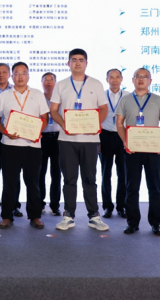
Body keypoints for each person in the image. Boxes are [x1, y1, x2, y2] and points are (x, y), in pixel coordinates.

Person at [50, 48, 109, 232]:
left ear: (86, 63)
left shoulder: (96, 84)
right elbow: (53, 110)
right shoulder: (61, 85)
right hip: (67, 139)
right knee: (69, 179)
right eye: (74, 60)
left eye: (81, 60)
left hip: (90, 140)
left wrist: (95, 125)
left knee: (89, 179)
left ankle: (94, 216)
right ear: (68, 63)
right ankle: (69, 215)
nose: (77, 63)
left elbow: (104, 109)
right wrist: (64, 124)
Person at [0, 62, 49, 229]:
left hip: (32, 146)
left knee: (33, 182)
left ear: (28, 76)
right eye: (16, 73)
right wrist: (5, 132)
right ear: (12, 76)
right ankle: (7, 216)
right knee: (9, 182)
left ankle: (35, 216)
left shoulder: (37, 94)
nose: (20, 76)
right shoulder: (4, 96)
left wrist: (37, 131)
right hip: (10, 145)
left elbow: (45, 117)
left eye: (23, 73)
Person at [116, 68, 160, 236]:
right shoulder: (125, 100)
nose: (141, 79)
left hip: (153, 150)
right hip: (132, 150)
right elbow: (119, 123)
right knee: (132, 188)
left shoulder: (158, 100)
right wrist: (125, 141)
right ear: (132, 80)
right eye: (137, 76)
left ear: (150, 81)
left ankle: (156, 223)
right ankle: (132, 222)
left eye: (145, 77)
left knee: (155, 188)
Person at [0, 63, 22, 218]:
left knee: (13, 172)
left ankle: (14, 205)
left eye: (4, 72)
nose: (1, 75)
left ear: (9, 74)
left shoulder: (17, 91)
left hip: (13, 135)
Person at [99, 69, 130, 219]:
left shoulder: (128, 96)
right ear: (107, 79)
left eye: (117, 77)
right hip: (105, 135)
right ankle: (107, 207)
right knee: (106, 173)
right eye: (111, 77)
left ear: (122, 79)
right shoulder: (101, 95)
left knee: (123, 173)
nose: (114, 80)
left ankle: (121, 206)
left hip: (122, 136)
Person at [40, 72, 61, 216]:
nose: (48, 82)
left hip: (58, 138)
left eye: (51, 79)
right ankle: (40, 203)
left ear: (56, 82)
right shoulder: (37, 98)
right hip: (42, 137)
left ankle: (55, 205)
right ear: (41, 83)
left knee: (56, 173)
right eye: (45, 80)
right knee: (40, 173)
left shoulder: (61, 99)